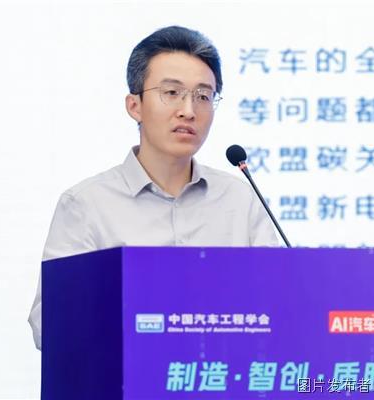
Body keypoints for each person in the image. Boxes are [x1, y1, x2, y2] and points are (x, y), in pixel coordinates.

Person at [28, 26, 278, 350]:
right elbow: (49, 325)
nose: (189, 110)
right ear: (135, 105)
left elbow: (280, 305)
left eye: (203, 96)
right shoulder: (87, 204)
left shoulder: (241, 201)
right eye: (172, 92)